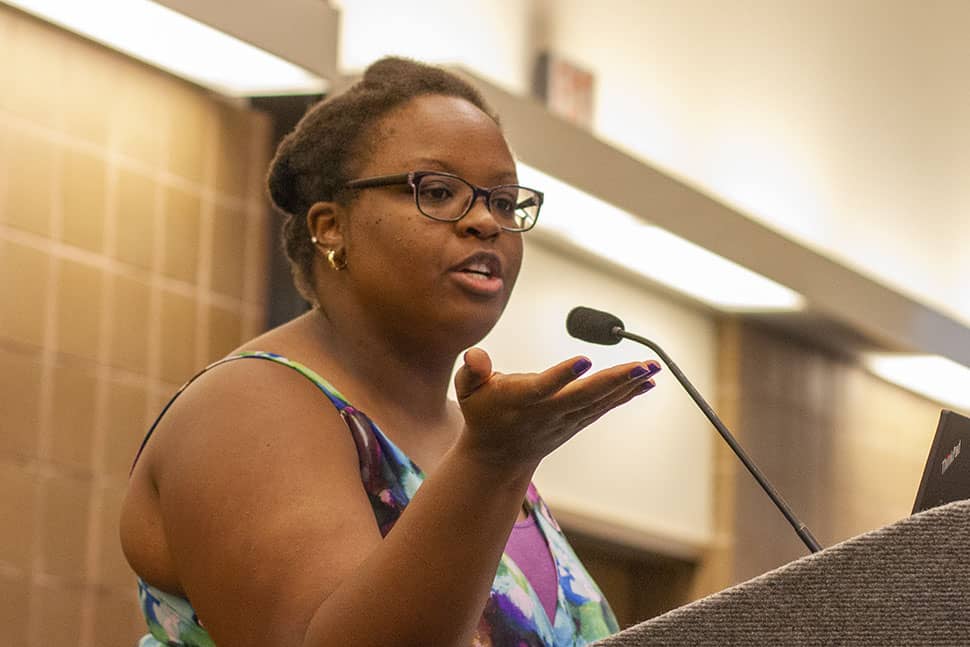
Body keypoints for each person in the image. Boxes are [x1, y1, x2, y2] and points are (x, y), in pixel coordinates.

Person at [120, 57, 661, 647]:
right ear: (330, 226)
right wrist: (493, 463)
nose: (485, 221)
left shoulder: (475, 442)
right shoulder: (248, 405)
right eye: (437, 191)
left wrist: (497, 460)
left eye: (504, 202)